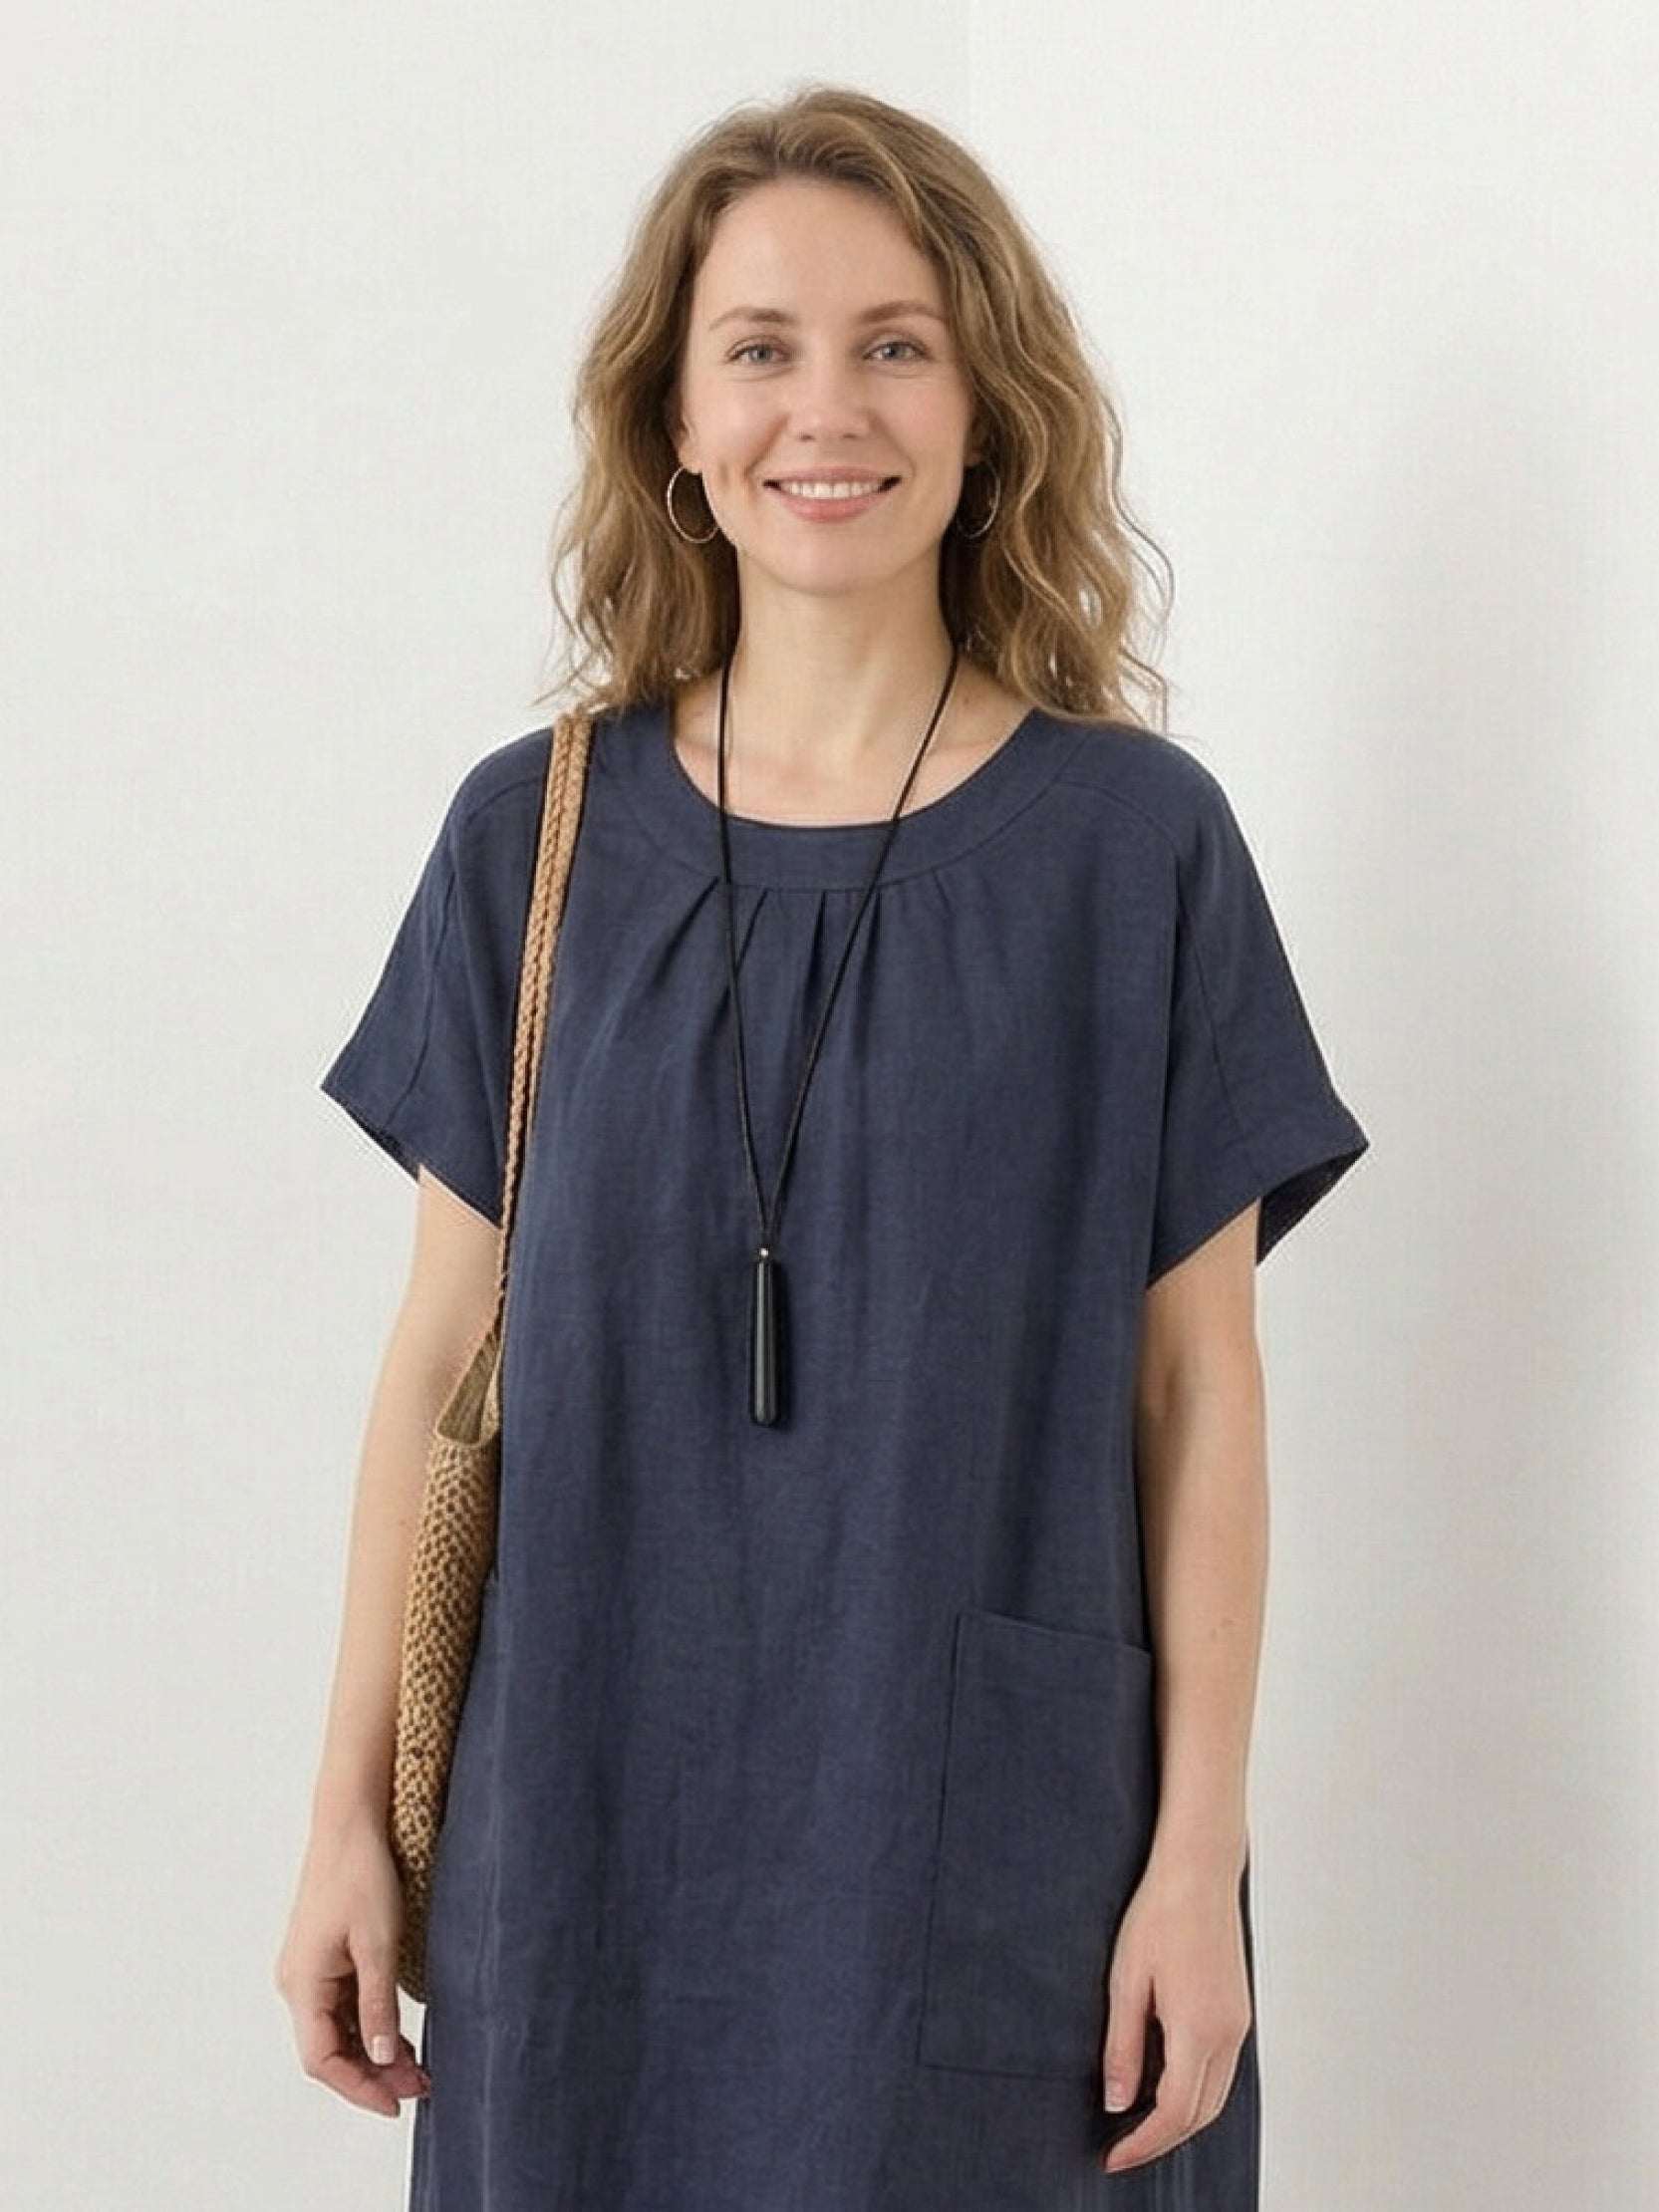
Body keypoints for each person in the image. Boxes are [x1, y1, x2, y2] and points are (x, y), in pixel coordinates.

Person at [275, 82, 1369, 2211]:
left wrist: (1195, 1864)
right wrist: (344, 1822)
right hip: (576, 1835)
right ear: (676, 423)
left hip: (993, 1853)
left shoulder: (1132, 850)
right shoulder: (530, 839)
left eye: (893, 344)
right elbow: (436, 1366)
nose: (825, 410)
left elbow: (1194, 1389)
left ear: (983, 408)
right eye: (759, 349)